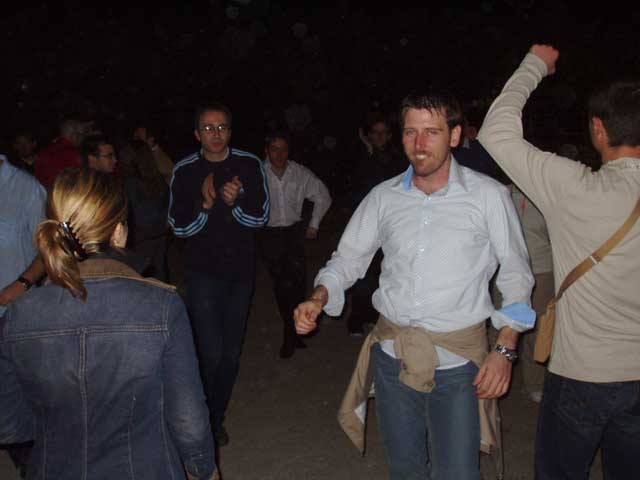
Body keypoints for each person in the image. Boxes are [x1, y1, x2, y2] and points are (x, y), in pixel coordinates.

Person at [295, 89, 535, 479]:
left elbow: (516, 275)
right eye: (410, 132)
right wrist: (318, 297)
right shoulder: (383, 197)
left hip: (458, 364)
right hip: (393, 358)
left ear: (454, 135)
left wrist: (505, 350)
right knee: (405, 469)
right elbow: (348, 258)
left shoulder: (488, 196)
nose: (419, 144)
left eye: (431, 132)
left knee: (457, 472)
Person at [478, 44, 640, 480]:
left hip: (582, 374)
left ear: (598, 130)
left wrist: (535, 64)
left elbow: (496, 132)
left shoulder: (575, 188)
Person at [0, 167, 218, 480]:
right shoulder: (161, 306)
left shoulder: (18, 315)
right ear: (118, 231)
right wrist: (202, 469)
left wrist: (60, 427)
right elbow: (188, 419)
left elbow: (8, 423)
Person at [169, 102, 269, 447]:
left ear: (231, 131)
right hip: (202, 273)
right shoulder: (185, 170)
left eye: (222, 127)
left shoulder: (249, 164)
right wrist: (206, 206)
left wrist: (235, 201)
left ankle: (214, 418)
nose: (216, 134)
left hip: (240, 272)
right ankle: (200, 418)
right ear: (197, 134)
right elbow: (178, 227)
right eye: (208, 128)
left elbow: (261, 218)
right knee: (209, 352)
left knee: (230, 354)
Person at [260, 131, 332, 358]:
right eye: (274, 149)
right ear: (266, 151)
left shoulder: (299, 173)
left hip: (293, 233)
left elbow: (323, 196)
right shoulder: (257, 172)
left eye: (283, 149)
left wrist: (314, 224)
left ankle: (295, 331)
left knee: (298, 283)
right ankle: (290, 333)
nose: (279, 154)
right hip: (269, 235)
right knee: (282, 286)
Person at [0, 153, 46, 478]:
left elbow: (49, 250)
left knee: (21, 403)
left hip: (13, 314)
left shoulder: (26, 189)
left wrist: (22, 284)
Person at [347, 112, 405, 336]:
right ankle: (356, 317)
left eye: (384, 133)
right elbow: (354, 189)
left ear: (390, 135)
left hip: (391, 225)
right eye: (375, 132)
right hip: (366, 223)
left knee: (385, 272)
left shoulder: (398, 159)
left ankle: (374, 315)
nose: (380, 137)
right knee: (362, 272)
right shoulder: (360, 157)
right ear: (369, 135)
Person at [121, 139, 171, 281]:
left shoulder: (131, 183)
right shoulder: (156, 180)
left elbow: (140, 218)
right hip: (157, 241)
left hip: (142, 244)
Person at [34, 117, 94, 189]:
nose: (83, 138)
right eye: (82, 135)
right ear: (75, 135)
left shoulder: (43, 152)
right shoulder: (74, 154)